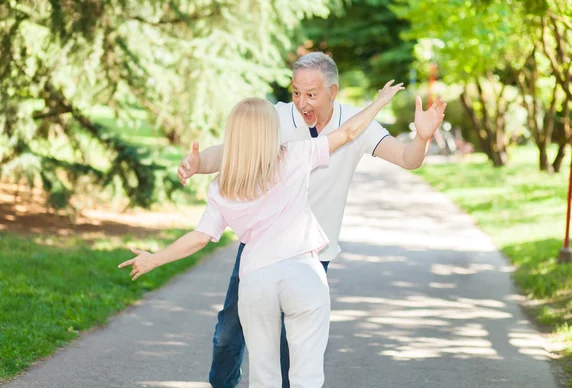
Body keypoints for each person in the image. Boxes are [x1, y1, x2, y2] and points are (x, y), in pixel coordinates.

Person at [177, 52, 447, 388]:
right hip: (261, 248)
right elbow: (233, 150)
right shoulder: (276, 118)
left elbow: (408, 159)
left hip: (311, 253)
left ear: (333, 92)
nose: (302, 102)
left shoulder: (358, 123)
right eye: (296, 93)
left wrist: (421, 138)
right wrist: (198, 162)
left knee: (293, 349)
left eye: (311, 94)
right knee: (228, 335)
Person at [118, 81, 409, 387]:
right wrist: (378, 102)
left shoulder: (222, 186)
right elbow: (348, 133)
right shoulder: (293, 156)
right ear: (271, 132)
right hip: (304, 274)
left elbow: (200, 237)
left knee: (264, 374)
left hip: (256, 282)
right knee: (306, 374)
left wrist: (154, 259)